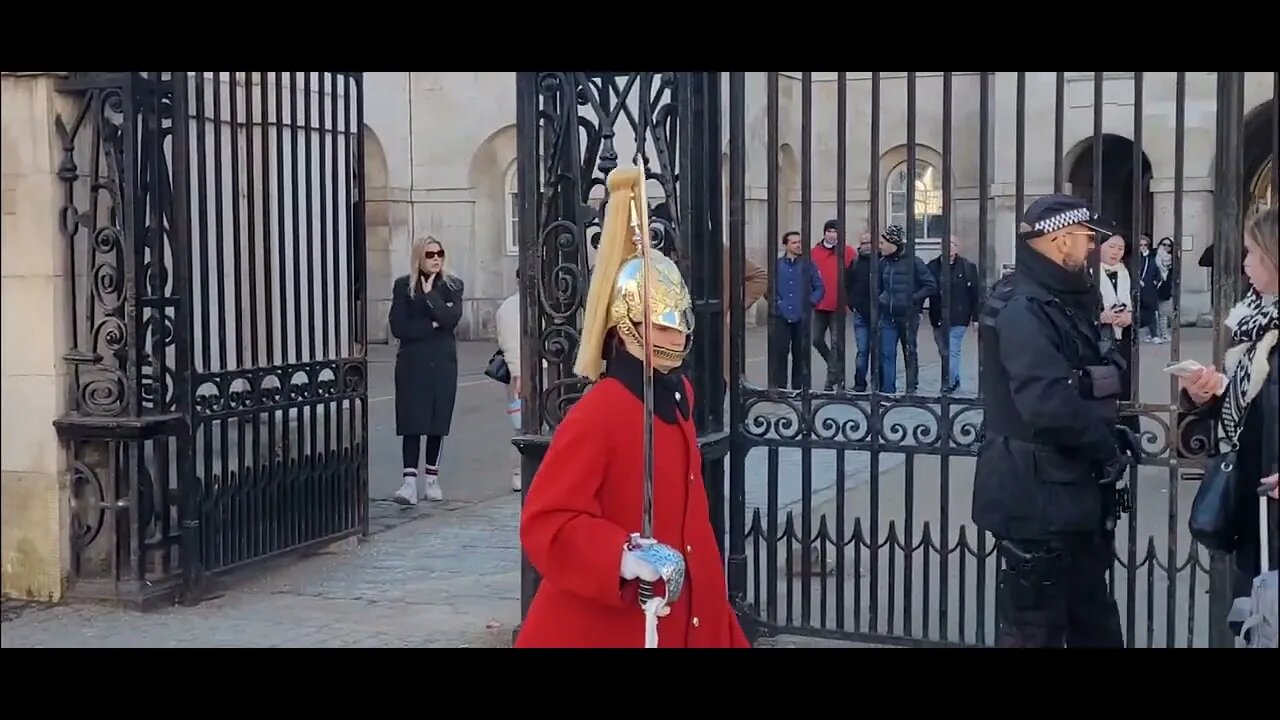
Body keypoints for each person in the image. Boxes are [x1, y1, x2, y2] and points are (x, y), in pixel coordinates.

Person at [515, 167, 750, 648]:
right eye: (662, 327)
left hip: (685, 615)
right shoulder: (601, 410)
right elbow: (548, 518)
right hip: (613, 621)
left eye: (679, 325)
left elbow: (691, 525)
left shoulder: (679, 398)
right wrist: (620, 556)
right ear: (627, 330)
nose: (678, 337)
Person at [971, 194, 1128, 648]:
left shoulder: (1056, 297)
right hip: (1035, 495)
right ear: (1061, 243)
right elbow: (1046, 403)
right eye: (1085, 239)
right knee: (1033, 627)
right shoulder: (1024, 307)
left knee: (1090, 619)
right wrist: (1103, 445)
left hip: (1065, 491)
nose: (1091, 248)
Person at [1177, 205, 1279, 606]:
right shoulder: (1255, 324)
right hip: (1256, 510)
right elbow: (1248, 412)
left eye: (1253, 252)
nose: (1245, 262)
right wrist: (1203, 396)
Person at [389, 236, 464, 505]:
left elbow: (451, 319)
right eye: (430, 254)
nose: (435, 258)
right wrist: (431, 326)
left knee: (437, 422)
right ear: (419, 257)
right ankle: (409, 481)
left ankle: (431, 478)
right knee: (412, 422)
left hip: (442, 365)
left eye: (439, 254)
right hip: (412, 365)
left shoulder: (452, 285)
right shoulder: (403, 286)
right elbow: (399, 328)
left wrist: (432, 297)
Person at [874, 224, 937, 394]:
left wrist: (913, 299)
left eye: (882, 242)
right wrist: (882, 299)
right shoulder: (882, 263)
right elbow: (877, 287)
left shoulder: (914, 262)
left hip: (908, 316)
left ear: (892, 243)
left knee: (909, 351)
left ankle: (911, 388)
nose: (879, 246)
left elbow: (930, 285)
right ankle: (887, 391)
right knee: (886, 354)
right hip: (888, 316)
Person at [926, 235, 981, 394]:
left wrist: (976, 317)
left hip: (959, 315)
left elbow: (975, 294)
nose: (949, 247)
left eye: (953, 244)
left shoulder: (967, 267)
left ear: (958, 247)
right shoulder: (932, 266)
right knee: (944, 351)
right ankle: (954, 378)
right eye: (945, 243)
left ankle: (948, 384)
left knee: (952, 349)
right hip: (937, 317)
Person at [772, 230, 825, 389]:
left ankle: (799, 387)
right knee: (780, 352)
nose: (798, 245)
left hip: (801, 315)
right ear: (786, 245)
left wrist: (810, 303)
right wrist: (777, 304)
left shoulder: (808, 264)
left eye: (799, 242)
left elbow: (819, 287)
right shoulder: (777, 265)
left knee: (800, 353)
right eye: (794, 242)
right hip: (781, 315)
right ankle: (779, 387)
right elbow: (769, 288)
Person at [810, 219, 857, 390]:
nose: (832, 235)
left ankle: (831, 380)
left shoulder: (848, 252)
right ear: (824, 233)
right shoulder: (813, 252)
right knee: (816, 339)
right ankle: (837, 370)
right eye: (829, 231)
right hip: (819, 304)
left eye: (836, 232)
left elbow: (854, 277)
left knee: (838, 342)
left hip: (839, 305)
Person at [495, 270, 522, 493]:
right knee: (521, 424)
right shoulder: (510, 307)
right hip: (521, 373)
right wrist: (517, 373)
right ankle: (518, 471)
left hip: (543, 369)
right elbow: (509, 344)